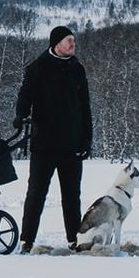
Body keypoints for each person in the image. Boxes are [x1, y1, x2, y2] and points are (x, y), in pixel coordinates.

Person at [13, 25, 94, 252]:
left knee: (71, 196)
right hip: (44, 144)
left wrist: (87, 139)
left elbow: (85, 108)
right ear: (56, 43)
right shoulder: (37, 68)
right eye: (69, 40)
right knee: (36, 194)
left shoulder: (78, 70)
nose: (73, 44)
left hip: (72, 143)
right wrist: (20, 115)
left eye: (74, 41)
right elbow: (25, 95)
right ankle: (26, 240)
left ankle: (73, 240)